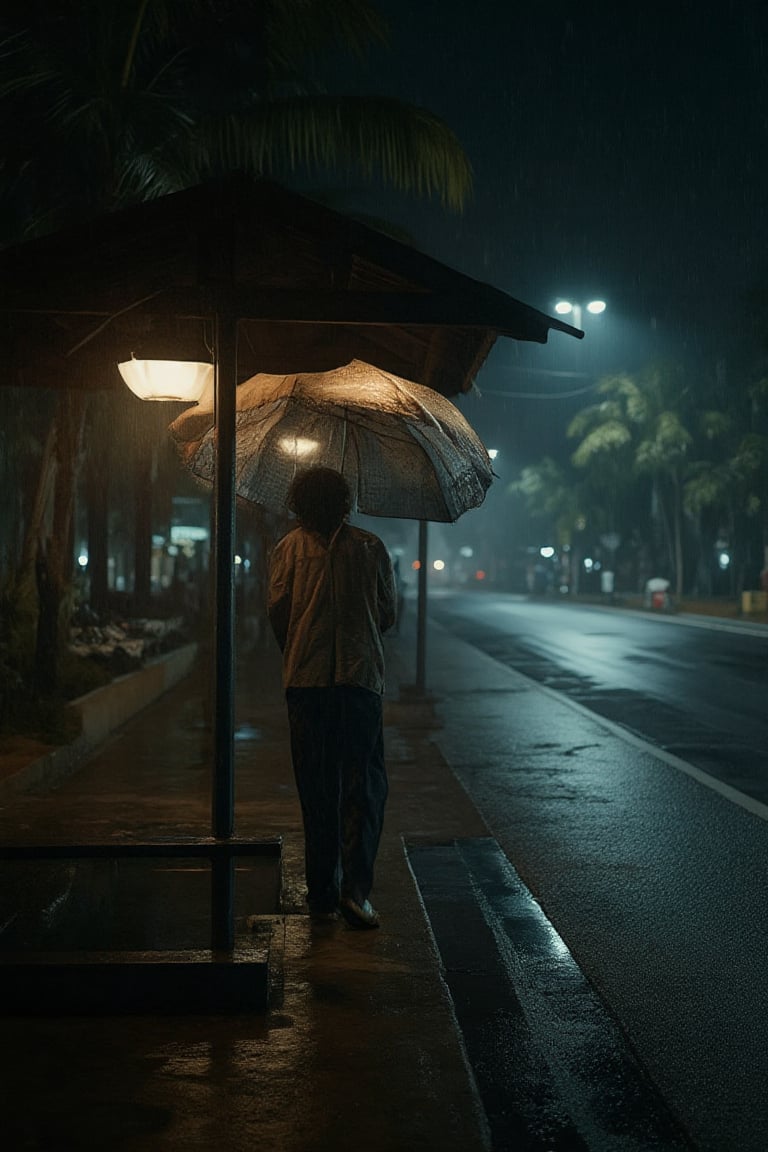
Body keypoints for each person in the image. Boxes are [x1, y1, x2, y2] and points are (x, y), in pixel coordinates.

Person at [267, 467, 397, 929]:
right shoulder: (370, 548)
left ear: (299, 504)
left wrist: (305, 647)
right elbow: (387, 613)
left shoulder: (287, 549)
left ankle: (321, 892)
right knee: (363, 789)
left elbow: (278, 615)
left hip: (305, 687)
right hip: (359, 685)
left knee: (316, 789)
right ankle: (356, 893)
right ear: (345, 502)